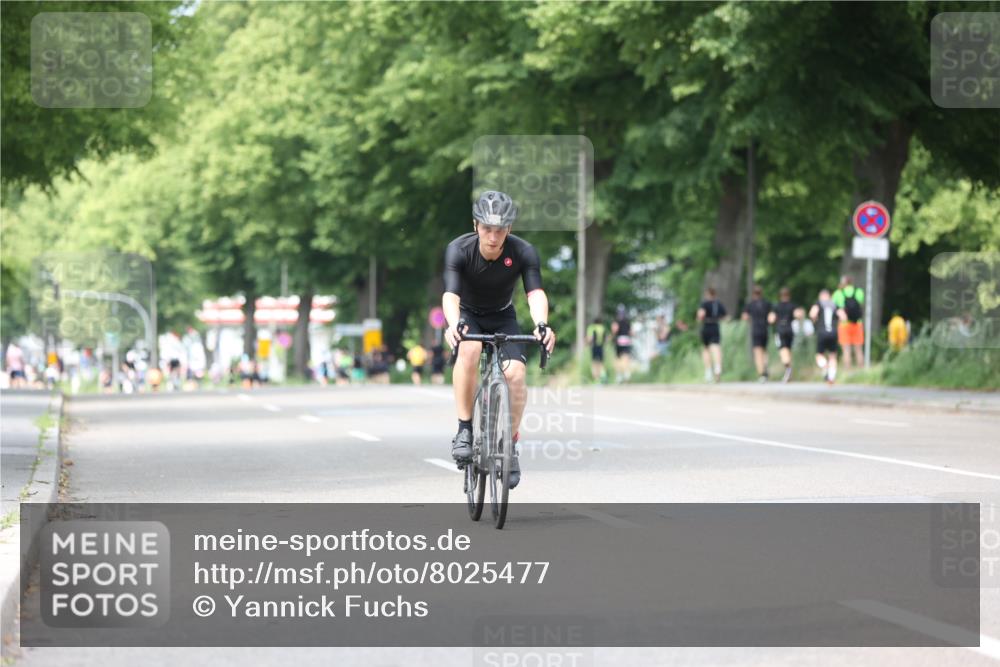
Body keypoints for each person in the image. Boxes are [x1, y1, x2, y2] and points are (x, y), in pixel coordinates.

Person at [443, 190, 556, 490]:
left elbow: (535, 293)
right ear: (475, 225)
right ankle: (465, 429)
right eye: (487, 228)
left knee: (516, 374)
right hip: (467, 315)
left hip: (503, 315)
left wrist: (541, 324)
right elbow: (450, 295)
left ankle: (510, 445)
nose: (493, 237)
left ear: (510, 228)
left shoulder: (523, 251)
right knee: (468, 350)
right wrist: (453, 325)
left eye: (500, 229)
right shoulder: (459, 250)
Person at [810, 289, 846, 385]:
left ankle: (825, 365)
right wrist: (837, 323)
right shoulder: (834, 304)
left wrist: (815, 321)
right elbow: (843, 317)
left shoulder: (818, 304)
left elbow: (812, 314)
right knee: (833, 355)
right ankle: (831, 377)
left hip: (822, 332)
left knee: (819, 355)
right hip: (833, 332)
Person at [768, 287, 802, 383]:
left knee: (782, 349)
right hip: (790, 329)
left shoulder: (776, 306)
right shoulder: (792, 305)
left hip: (780, 330)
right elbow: (798, 315)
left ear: (780, 296)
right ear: (789, 295)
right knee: (788, 350)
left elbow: (771, 319)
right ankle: (789, 372)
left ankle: (787, 368)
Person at [832, 275, 865, 370]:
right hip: (857, 323)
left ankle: (847, 371)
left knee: (846, 349)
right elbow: (861, 303)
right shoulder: (859, 291)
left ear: (843, 282)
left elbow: (834, 306)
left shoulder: (838, 293)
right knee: (858, 349)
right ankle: (861, 371)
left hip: (844, 324)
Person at [741, 285, 771, 382]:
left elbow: (744, 317)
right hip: (765, 329)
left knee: (757, 352)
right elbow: (771, 317)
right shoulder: (767, 304)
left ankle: (761, 374)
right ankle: (765, 366)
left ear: (753, 294)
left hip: (755, 330)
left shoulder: (750, 304)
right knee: (764, 350)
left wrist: (750, 320)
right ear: (761, 293)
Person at [697, 287, 727, 382]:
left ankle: (708, 371)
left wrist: (699, 318)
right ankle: (718, 367)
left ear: (707, 294)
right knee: (716, 347)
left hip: (706, 326)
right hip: (715, 326)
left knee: (706, 349)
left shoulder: (704, 303)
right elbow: (725, 316)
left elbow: (700, 315)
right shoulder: (718, 304)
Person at [610, 304, 632, 383]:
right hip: (626, 339)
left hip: (619, 340)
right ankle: (626, 374)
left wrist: (612, 337)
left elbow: (614, 330)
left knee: (618, 358)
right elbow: (631, 332)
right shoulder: (627, 322)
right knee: (626, 357)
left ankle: (619, 375)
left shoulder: (616, 322)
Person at [586, 317, 607, 382]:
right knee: (601, 362)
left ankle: (596, 378)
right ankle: (602, 377)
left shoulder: (592, 327)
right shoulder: (602, 328)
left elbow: (590, 338)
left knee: (594, 362)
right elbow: (605, 339)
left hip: (594, 346)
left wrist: (587, 343)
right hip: (601, 346)